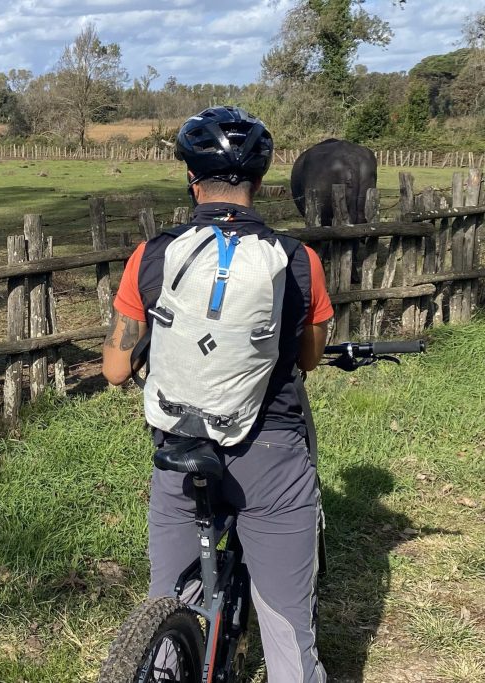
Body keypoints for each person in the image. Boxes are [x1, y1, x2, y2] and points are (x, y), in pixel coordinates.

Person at [102, 106, 333, 683]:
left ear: (191, 178)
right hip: (270, 454)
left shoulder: (151, 255)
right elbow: (308, 358)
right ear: (261, 180)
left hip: (179, 447)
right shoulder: (300, 262)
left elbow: (113, 369)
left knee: (168, 600)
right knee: (288, 634)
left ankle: (166, 648)